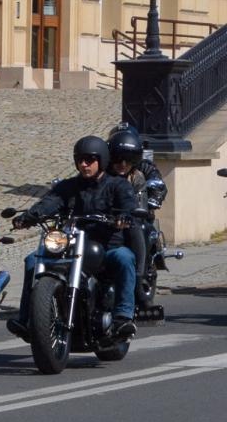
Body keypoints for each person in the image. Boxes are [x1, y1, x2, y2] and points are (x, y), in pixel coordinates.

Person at [8, 135, 139, 340]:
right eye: (80, 160)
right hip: (71, 244)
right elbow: (50, 202)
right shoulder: (68, 186)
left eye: (89, 160)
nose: (84, 164)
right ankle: (26, 318)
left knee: (125, 258)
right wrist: (28, 217)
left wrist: (124, 216)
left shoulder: (118, 185)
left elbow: (129, 206)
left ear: (102, 160)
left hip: (107, 245)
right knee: (33, 260)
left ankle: (123, 316)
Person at [107, 125, 166, 314]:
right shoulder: (104, 170)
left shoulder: (141, 170)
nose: (123, 161)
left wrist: (154, 198)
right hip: (110, 217)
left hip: (139, 215)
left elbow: (157, 184)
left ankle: (139, 281)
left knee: (140, 230)